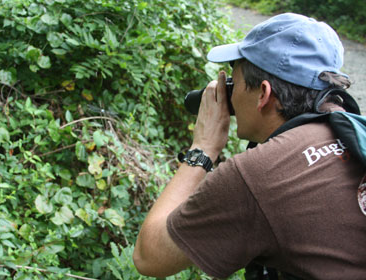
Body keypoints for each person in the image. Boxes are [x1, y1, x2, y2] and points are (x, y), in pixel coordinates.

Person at [133, 13, 366, 279]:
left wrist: (203, 148)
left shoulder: (257, 176)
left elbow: (149, 256)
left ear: (263, 94)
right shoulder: (355, 131)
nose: (229, 93)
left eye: (234, 81)